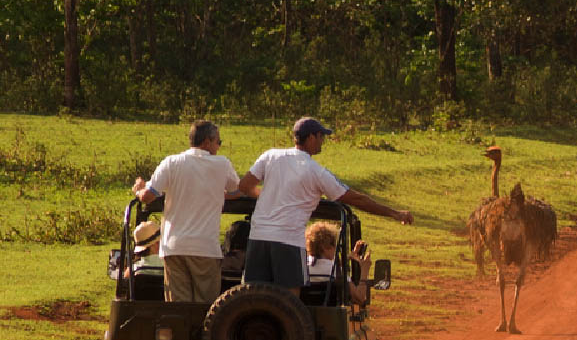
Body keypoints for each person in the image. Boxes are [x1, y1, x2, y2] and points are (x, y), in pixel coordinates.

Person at [238, 116, 413, 295]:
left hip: (258, 237)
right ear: (312, 137)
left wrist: (267, 196)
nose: (323, 141)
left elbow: (244, 186)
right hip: (288, 240)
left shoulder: (270, 156)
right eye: (321, 137)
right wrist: (393, 213)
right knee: (290, 304)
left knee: (252, 297)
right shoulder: (316, 171)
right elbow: (356, 199)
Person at [132, 120, 241, 303]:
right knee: (206, 308)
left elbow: (149, 196)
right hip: (205, 247)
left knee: (178, 308)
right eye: (218, 142)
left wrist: (138, 189)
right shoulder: (222, 164)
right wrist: (217, 193)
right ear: (207, 142)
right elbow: (237, 191)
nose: (218, 147)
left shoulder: (172, 162)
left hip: (174, 246)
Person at [304, 221, 372, 305]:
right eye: (334, 245)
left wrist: (349, 257)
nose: (335, 249)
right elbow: (360, 298)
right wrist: (365, 269)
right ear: (324, 247)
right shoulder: (336, 271)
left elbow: (324, 266)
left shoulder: (302, 266)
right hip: (331, 316)